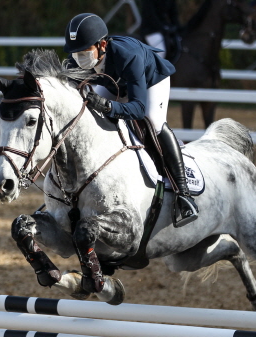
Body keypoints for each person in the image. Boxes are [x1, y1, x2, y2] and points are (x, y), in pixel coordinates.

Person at [64, 13, 198, 227]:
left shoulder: (128, 55)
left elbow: (138, 107)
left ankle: (184, 194)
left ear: (103, 45)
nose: (79, 58)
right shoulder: (77, 59)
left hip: (152, 81)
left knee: (153, 123)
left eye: (84, 51)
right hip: (114, 85)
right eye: (75, 53)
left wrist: (108, 106)